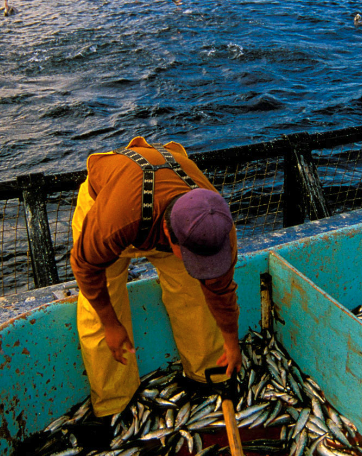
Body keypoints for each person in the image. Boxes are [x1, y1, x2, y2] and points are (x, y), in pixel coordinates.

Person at [70, 136, 241, 426]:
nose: (202, 264)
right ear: (166, 232)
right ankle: (113, 405)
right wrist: (112, 325)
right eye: (190, 254)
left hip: (165, 206)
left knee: (193, 293)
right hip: (108, 201)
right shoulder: (114, 221)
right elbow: (86, 267)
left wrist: (231, 342)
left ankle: (204, 375)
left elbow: (220, 289)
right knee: (98, 311)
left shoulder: (215, 228)